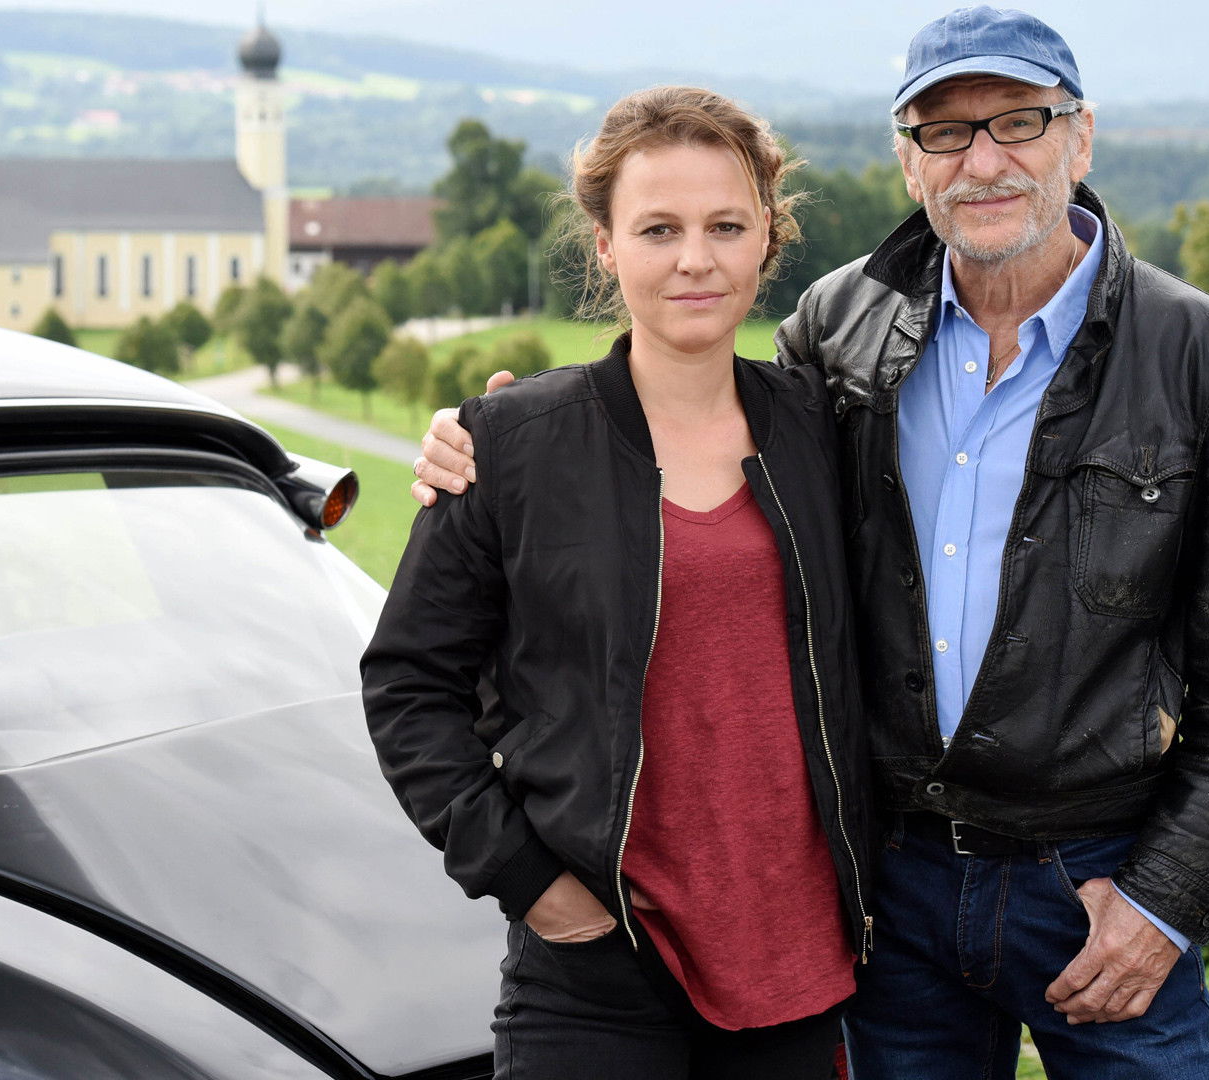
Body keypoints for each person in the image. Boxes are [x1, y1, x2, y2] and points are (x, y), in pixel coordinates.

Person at [410, 7, 1209, 1077]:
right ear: (909, 162)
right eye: (944, 133)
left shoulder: (1202, 356)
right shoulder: (841, 329)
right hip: (893, 887)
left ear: (1081, 137)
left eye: (1019, 121)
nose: (984, 161)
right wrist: (495, 440)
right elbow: (685, 406)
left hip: (1097, 876)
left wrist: (1168, 897)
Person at [361, 85, 873, 1080]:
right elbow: (408, 686)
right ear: (605, 245)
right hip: (595, 976)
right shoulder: (511, 444)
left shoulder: (827, 430)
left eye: (727, 226)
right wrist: (528, 881)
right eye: (659, 228)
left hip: (795, 968)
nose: (696, 259)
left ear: (768, 237)